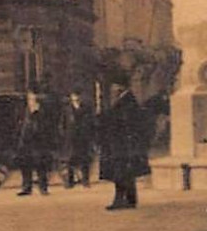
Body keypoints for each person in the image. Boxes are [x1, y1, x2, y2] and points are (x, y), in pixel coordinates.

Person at [99, 82, 149, 211]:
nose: (112, 90)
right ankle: (129, 200)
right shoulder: (126, 100)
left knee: (121, 173)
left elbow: (123, 123)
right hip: (122, 144)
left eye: (114, 87)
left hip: (122, 145)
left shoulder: (126, 102)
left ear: (120, 87)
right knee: (125, 173)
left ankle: (121, 200)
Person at [14, 88, 57, 196]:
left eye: (33, 99)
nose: (31, 101)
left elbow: (45, 126)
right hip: (25, 142)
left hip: (38, 142)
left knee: (40, 166)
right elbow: (20, 124)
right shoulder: (25, 111)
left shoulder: (41, 112)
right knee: (25, 166)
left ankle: (43, 188)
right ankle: (26, 188)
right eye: (29, 99)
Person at [62, 89, 95, 189]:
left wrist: (89, 135)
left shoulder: (86, 108)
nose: (76, 98)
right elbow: (63, 123)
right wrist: (64, 135)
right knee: (70, 160)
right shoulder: (67, 109)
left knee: (84, 159)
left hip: (82, 137)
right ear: (71, 97)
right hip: (71, 138)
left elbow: (90, 122)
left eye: (78, 96)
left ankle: (85, 180)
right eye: (74, 96)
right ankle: (70, 181)